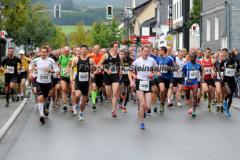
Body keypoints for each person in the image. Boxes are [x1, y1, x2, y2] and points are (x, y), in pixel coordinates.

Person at [128, 45, 157, 129]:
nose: (146, 53)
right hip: (139, 82)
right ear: (141, 52)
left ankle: (142, 112)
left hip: (148, 83)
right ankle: (142, 122)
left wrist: (153, 74)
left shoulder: (152, 60)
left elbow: (156, 69)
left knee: (148, 106)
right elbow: (130, 72)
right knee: (142, 103)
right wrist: (132, 81)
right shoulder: (137, 61)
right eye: (145, 51)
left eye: (148, 51)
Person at [29, 46, 59, 124]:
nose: (43, 53)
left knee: (46, 98)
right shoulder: (37, 60)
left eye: (44, 52)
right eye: (42, 52)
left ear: (47, 52)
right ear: (40, 52)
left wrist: (51, 71)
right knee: (40, 98)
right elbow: (30, 65)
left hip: (48, 83)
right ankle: (41, 115)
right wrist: (31, 72)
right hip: (39, 82)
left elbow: (57, 69)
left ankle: (45, 107)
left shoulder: (51, 60)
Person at [71, 45, 96, 121]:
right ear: (80, 51)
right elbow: (71, 68)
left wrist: (93, 72)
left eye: (85, 49)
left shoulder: (91, 60)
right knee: (78, 95)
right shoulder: (76, 59)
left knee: (84, 99)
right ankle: (76, 104)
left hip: (86, 82)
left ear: (87, 51)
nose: (84, 51)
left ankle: (81, 113)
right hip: (78, 80)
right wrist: (72, 76)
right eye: (82, 49)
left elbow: (95, 67)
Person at [99, 42, 121, 117]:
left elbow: (121, 65)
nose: (116, 48)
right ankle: (110, 99)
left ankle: (113, 110)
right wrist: (106, 70)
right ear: (111, 48)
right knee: (109, 95)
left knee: (115, 93)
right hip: (107, 76)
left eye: (117, 47)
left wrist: (120, 70)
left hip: (115, 76)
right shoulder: (106, 55)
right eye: (115, 47)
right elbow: (99, 64)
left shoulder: (119, 56)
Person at [182, 52, 202, 117]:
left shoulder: (198, 65)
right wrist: (185, 78)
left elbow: (201, 71)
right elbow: (183, 73)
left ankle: (194, 110)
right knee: (187, 95)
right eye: (190, 57)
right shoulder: (186, 65)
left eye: (193, 57)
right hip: (188, 82)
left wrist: (201, 78)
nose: (192, 58)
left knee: (195, 95)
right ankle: (190, 107)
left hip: (195, 81)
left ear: (195, 58)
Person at [221, 51, 240, 118]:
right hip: (226, 79)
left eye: (233, 56)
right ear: (229, 56)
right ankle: (224, 100)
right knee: (229, 92)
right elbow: (219, 68)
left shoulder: (236, 63)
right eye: (231, 56)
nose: (232, 57)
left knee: (231, 96)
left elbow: (237, 71)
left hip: (232, 80)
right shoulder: (225, 62)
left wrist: (237, 72)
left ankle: (227, 110)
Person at [156, 46, 174, 113]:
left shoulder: (170, 59)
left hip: (168, 78)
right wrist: (157, 72)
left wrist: (172, 80)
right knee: (162, 89)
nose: (159, 52)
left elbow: (172, 70)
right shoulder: (158, 58)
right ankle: (161, 102)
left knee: (165, 93)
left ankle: (162, 104)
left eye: (160, 50)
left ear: (163, 51)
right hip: (161, 77)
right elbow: (156, 66)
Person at [90, 45, 104, 111]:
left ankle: (96, 95)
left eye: (97, 49)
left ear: (99, 49)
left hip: (100, 74)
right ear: (93, 49)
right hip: (94, 74)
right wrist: (91, 72)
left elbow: (103, 66)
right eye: (95, 49)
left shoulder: (102, 56)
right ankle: (93, 103)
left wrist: (99, 68)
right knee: (94, 87)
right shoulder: (91, 56)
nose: (96, 50)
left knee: (99, 87)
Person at [58, 46, 73, 111]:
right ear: (63, 51)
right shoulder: (61, 57)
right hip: (63, 76)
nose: (67, 52)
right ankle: (65, 104)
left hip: (70, 76)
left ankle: (69, 97)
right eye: (65, 51)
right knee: (63, 89)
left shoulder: (72, 57)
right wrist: (59, 70)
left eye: (68, 51)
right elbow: (58, 64)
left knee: (70, 89)